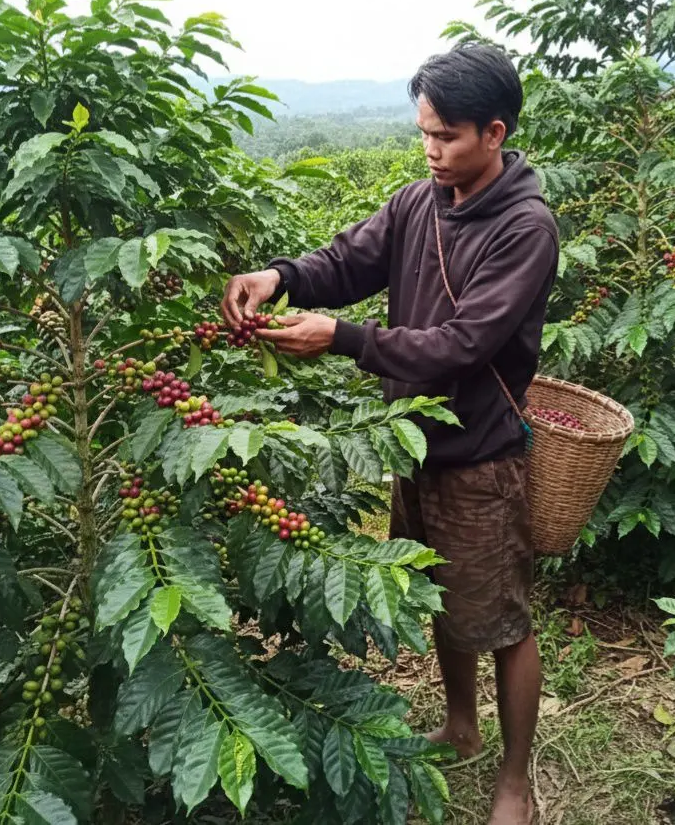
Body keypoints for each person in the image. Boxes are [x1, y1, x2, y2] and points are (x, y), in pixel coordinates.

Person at [221, 44, 558, 825]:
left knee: (500, 618)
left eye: (447, 137)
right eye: (424, 134)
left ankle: (515, 781)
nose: (432, 150)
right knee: (442, 600)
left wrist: (343, 337)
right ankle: (461, 726)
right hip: (412, 441)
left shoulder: (524, 229)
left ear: (495, 132)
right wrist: (280, 277)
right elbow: (347, 258)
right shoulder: (417, 203)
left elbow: (464, 342)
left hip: (480, 453)